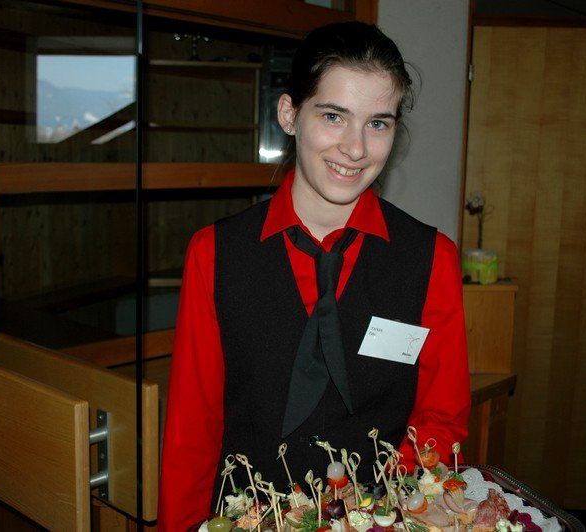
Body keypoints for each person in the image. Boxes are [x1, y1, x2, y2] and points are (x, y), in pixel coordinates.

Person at [158, 21, 470, 530]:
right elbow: (192, 429)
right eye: (333, 116)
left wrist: (383, 512)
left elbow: (441, 416)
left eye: (378, 123)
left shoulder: (431, 257)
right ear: (289, 114)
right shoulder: (215, 252)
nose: (356, 148)